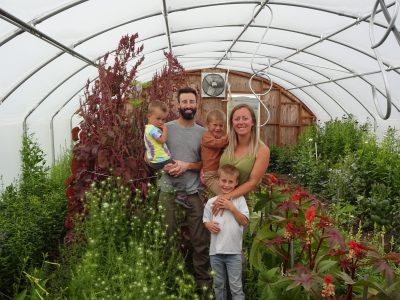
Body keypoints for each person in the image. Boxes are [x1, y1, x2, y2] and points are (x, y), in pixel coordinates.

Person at [158, 87, 211, 291]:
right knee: (168, 238)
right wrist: (164, 164)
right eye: (184, 102)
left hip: (193, 193)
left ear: (197, 105)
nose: (188, 106)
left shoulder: (203, 133)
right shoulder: (166, 129)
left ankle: (203, 284)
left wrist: (187, 165)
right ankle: (172, 282)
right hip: (168, 192)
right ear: (178, 105)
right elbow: (149, 155)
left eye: (192, 102)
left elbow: (206, 164)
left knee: (200, 240)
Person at [212, 103, 270, 215]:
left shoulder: (262, 150)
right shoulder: (226, 143)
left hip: (242, 204)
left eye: (245, 118)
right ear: (232, 123)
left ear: (252, 122)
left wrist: (227, 197)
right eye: (237, 119)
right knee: (215, 230)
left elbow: (253, 182)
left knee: (236, 232)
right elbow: (210, 157)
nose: (241, 122)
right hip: (218, 197)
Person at [203, 164, 249, 300]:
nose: (226, 184)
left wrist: (232, 207)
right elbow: (206, 220)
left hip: (233, 252)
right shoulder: (211, 202)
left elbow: (244, 221)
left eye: (230, 182)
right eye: (224, 181)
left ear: (236, 183)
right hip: (215, 252)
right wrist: (208, 224)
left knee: (236, 287)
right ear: (218, 180)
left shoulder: (240, 200)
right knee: (218, 285)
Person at [144, 100, 191, 209]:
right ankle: (181, 196)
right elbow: (162, 140)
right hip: (161, 159)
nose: (161, 122)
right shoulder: (152, 130)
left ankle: (178, 193)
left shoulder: (149, 128)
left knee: (171, 171)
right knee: (178, 171)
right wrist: (165, 129)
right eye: (158, 119)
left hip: (155, 160)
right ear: (149, 116)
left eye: (163, 119)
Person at [201, 109, 228, 196]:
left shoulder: (221, 137)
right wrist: (229, 136)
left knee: (216, 196)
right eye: (215, 125)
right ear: (208, 125)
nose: (218, 128)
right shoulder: (206, 137)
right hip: (210, 175)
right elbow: (218, 144)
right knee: (223, 194)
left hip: (220, 173)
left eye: (221, 125)